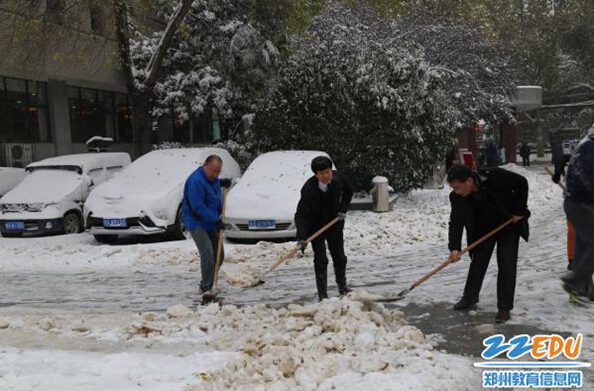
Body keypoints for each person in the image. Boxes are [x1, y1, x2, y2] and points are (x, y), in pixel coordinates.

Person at [446, 164, 530, 323]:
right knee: (478, 261)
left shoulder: (495, 176)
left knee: (506, 263)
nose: (456, 191)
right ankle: (470, 296)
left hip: (508, 224)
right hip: (484, 228)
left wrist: (519, 211)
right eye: (453, 188)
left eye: (458, 187)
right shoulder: (457, 197)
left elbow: (521, 182)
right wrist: (454, 248)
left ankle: (504, 308)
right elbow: (456, 222)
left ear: (469, 181)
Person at [295, 156, 354, 301]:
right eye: (321, 174)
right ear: (316, 175)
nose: (326, 176)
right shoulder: (308, 189)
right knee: (321, 259)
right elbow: (301, 215)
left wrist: (342, 209)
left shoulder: (339, 178)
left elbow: (349, 192)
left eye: (328, 172)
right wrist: (302, 237)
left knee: (339, 256)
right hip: (316, 227)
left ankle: (342, 286)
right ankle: (322, 294)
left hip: (334, 223)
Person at [182, 155, 232, 301]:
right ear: (205, 165)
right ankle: (206, 287)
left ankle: (208, 281)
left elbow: (214, 184)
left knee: (219, 255)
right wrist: (216, 221)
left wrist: (222, 182)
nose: (215, 175)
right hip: (196, 221)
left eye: (218, 172)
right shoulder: (195, 181)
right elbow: (198, 207)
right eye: (213, 171)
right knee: (208, 254)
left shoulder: (211, 178)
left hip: (210, 221)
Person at [560, 132, 594, 303]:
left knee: (583, 246)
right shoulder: (589, 148)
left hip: (579, 202)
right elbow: (588, 179)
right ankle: (575, 282)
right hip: (581, 203)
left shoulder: (587, 145)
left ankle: (583, 289)